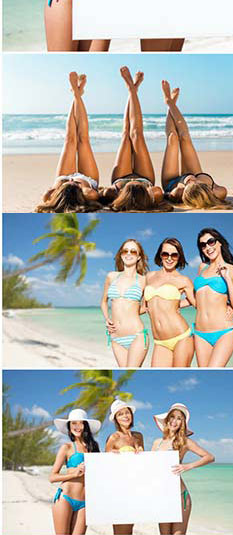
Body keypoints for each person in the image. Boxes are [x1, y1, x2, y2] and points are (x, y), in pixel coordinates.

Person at [35, 73, 102, 211]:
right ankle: (77, 93)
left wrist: (56, 189)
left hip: (63, 177)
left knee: (69, 139)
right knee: (83, 139)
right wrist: (81, 188)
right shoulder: (88, 195)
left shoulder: (50, 198)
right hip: (87, 180)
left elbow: (46, 196)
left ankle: (76, 93)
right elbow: (95, 194)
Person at [101, 68, 165, 210]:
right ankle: (132, 89)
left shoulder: (112, 194)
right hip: (145, 179)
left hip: (120, 180)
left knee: (126, 135)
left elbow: (104, 194)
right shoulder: (150, 197)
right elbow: (158, 192)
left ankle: (132, 89)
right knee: (137, 134)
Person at [160, 82, 233, 206]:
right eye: (194, 182)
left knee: (172, 139)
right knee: (185, 137)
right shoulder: (218, 192)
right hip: (195, 172)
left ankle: (169, 104)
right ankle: (170, 103)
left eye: (189, 183)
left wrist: (172, 192)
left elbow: (162, 196)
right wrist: (194, 179)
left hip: (172, 181)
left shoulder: (178, 192)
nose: (190, 179)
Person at [152, 403, 214, 535]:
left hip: (181, 497)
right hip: (162, 497)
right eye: (172, 417)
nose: (174, 421)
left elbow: (209, 457)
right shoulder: (157, 443)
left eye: (179, 418)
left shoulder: (184, 442)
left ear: (182, 423)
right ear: (167, 419)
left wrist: (187, 466)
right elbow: (149, 468)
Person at [192, 227, 233, 369]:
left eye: (211, 242)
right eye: (203, 245)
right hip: (200, 334)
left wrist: (227, 278)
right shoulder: (202, 267)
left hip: (224, 333)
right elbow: (197, 300)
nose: (208, 247)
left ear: (219, 242)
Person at [143, 235, 195, 369]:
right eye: (165, 254)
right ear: (160, 255)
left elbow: (196, 303)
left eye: (174, 255)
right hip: (160, 342)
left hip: (181, 337)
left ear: (179, 257)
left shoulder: (183, 280)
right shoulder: (149, 277)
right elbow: (143, 307)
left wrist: (227, 306)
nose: (170, 258)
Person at [50, 407, 101, 535]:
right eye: (73, 423)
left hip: (84, 502)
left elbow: (101, 473)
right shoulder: (66, 447)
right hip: (65, 498)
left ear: (86, 426)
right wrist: (74, 473)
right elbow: (52, 477)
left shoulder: (94, 447)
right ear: (69, 426)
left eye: (80, 423)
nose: (77, 427)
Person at [101, 238, 149, 369]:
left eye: (133, 251)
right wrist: (107, 319)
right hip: (115, 338)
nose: (129, 254)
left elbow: (148, 306)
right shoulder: (111, 276)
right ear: (121, 255)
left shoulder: (144, 280)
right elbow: (104, 302)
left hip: (136, 335)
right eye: (125, 251)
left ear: (139, 257)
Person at [105, 401, 144, 535]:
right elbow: (105, 467)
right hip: (119, 489)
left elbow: (144, 464)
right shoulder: (113, 438)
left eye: (127, 412)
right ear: (116, 419)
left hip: (135, 488)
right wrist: (110, 456)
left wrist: (141, 451)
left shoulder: (138, 436)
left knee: (130, 528)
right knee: (121, 530)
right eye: (120, 414)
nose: (125, 416)